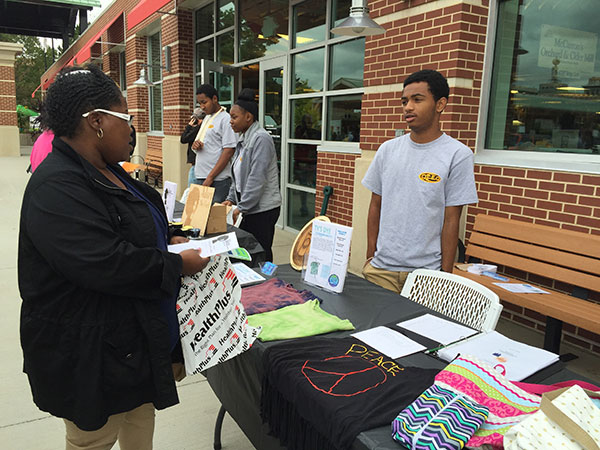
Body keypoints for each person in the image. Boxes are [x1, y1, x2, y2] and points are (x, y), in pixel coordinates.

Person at [18, 65, 209, 450]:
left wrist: (167, 235)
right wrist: (177, 264)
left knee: (139, 423)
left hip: (132, 346)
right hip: (91, 356)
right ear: (97, 122)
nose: (132, 129)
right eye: (127, 119)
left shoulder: (107, 170)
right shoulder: (56, 185)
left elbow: (133, 224)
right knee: (93, 439)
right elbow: (105, 262)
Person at [361, 69, 478, 293]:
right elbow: (375, 204)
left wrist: (445, 275)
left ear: (440, 104)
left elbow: (451, 220)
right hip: (381, 271)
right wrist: (370, 257)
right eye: (405, 101)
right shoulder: (387, 150)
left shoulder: (457, 154)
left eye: (417, 99)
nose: (408, 107)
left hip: (426, 275)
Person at [224, 88, 281, 262]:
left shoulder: (261, 139)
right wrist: (231, 199)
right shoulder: (243, 139)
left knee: (261, 253)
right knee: (247, 253)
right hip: (247, 208)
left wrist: (242, 207)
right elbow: (237, 174)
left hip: (262, 210)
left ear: (248, 117)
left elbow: (257, 179)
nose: (231, 122)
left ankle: (270, 284)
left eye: (234, 117)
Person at [192, 84, 237, 203]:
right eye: (199, 103)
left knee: (215, 219)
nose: (202, 107)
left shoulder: (225, 119)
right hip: (201, 176)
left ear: (215, 99)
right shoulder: (207, 118)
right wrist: (195, 145)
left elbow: (229, 151)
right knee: (200, 217)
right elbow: (205, 143)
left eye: (204, 102)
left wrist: (210, 177)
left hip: (217, 180)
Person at [180, 107, 205, 187]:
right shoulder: (201, 128)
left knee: (191, 190)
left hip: (196, 165)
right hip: (198, 164)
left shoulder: (198, 129)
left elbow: (183, 139)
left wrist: (189, 126)